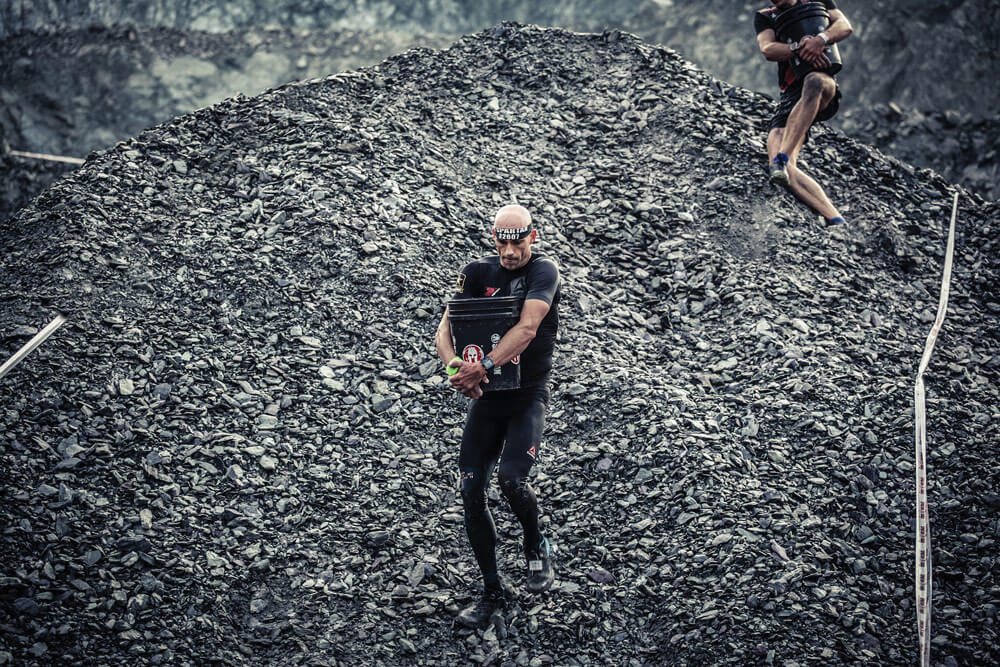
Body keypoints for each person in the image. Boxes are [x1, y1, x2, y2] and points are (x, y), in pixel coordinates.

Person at [434, 204, 561, 628]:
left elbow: (526, 329)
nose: (509, 251)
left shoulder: (544, 273)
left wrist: (482, 366)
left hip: (525, 395)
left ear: (533, 236)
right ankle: (492, 592)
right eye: (502, 241)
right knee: (471, 490)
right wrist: (457, 371)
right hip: (488, 397)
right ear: (494, 238)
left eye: (518, 241)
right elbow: (444, 330)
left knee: (512, 480)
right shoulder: (477, 272)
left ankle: (534, 541)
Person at [755, 0, 853, 225]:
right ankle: (836, 219)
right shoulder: (765, 16)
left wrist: (821, 40)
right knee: (782, 171)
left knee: (814, 80)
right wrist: (798, 47)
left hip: (823, 81)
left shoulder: (818, 2)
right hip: (790, 96)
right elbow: (768, 49)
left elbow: (844, 26)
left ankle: (783, 155)